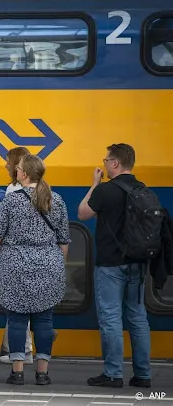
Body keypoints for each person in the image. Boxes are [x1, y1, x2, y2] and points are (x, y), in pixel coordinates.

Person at [0, 154, 69, 385]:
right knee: (44, 320)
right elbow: (63, 240)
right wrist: (56, 266)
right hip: (49, 264)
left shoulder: (12, 201)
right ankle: (42, 373)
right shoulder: (57, 200)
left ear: (23, 174)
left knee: (16, 320)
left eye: (18, 169)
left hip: (16, 266)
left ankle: (17, 372)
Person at [78, 143, 152, 389]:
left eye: (107, 160)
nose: (105, 163)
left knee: (111, 318)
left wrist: (94, 184)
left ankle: (113, 373)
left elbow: (83, 213)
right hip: (138, 264)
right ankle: (142, 375)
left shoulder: (106, 190)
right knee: (138, 317)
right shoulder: (142, 190)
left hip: (111, 264)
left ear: (115, 163)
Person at [0, 146, 35, 364]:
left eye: (7, 161)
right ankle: (17, 349)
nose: (5, 165)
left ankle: (22, 351)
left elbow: (6, 225)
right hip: (37, 256)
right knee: (30, 306)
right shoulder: (44, 190)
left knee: (17, 305)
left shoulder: (14, 190)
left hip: (16, 255)